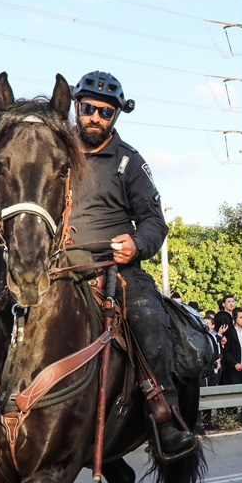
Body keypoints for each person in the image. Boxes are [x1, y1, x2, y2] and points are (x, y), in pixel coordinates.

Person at [67, 69, 193, 456]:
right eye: (89, 108)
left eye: (106, 113)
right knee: (0, 308)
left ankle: (163, 413)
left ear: (116, 117)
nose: (95, 118)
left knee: (148, 318)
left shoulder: (129, 162)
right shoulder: (55, 150)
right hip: (58, 267)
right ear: (76, 105)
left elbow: (156, 223)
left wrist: (136, 245)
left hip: (115, 271)